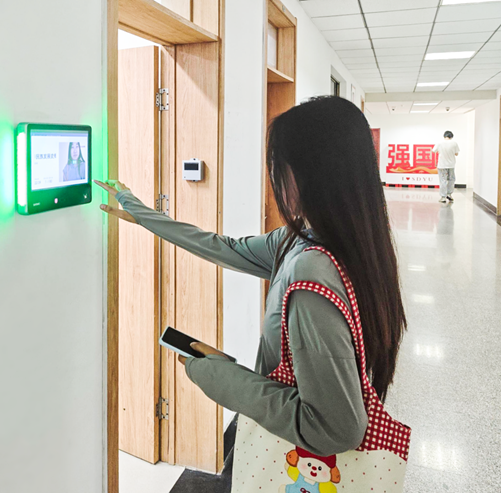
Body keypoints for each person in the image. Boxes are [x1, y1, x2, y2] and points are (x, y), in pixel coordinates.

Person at [96, 96, 407, 459]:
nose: (275, 180)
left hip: (296, 463)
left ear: (313, 174)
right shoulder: (328, 240)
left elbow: (336, 428)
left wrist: (221, 376)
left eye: (280, 167)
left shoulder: (312, 272)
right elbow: (222, 247)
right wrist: (140, 211)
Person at [433, 131, 459, 204]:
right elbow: (456, 154)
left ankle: (443, 197)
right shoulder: (454, 143)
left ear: (444, 136)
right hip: (451, 165)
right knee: (451, 179)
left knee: (443, 180)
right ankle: (449, 194)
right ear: (451, 137)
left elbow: (434, 151)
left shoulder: (439, 143)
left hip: (442, 165)